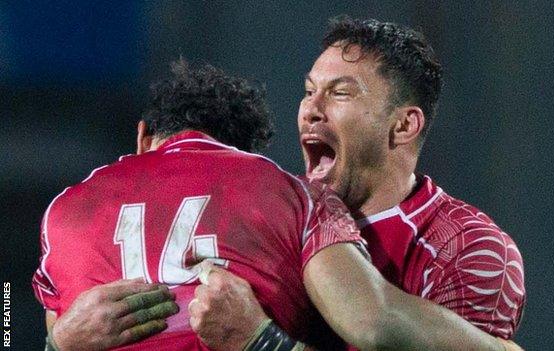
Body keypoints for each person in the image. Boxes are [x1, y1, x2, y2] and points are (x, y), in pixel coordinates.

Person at [180, 16, 526, 350]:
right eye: (309, 91)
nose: (311, 110)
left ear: (404, 126)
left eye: (340, 93)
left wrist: (262, 342)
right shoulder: (271, 217)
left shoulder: (469, 250)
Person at [33, 60, 369, 350]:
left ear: (142, 138)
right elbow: (375, 329)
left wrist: (56, 345)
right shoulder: (296, 197)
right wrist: (263, 342)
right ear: (243, 151)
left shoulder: (64, 210)